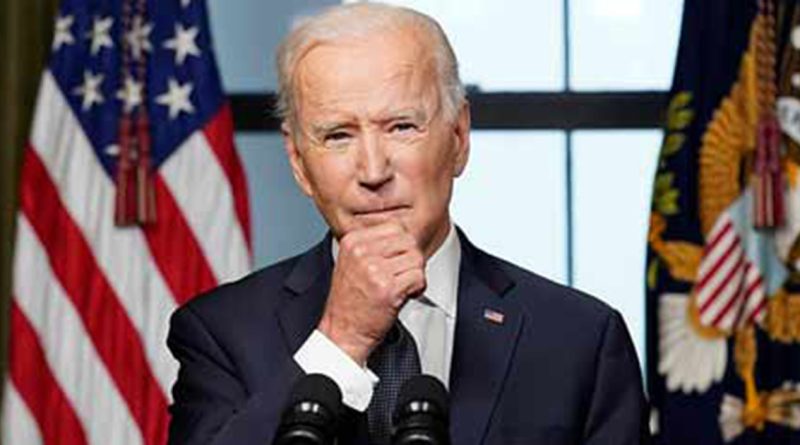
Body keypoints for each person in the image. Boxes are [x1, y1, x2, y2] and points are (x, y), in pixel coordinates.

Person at [166, 3, 649, 445]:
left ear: (458, 137)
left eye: (401, 127)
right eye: (338, 135)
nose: (373, 170)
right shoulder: (220, 333)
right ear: (298, 163)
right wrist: (340, 342)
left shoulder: (579, 339)